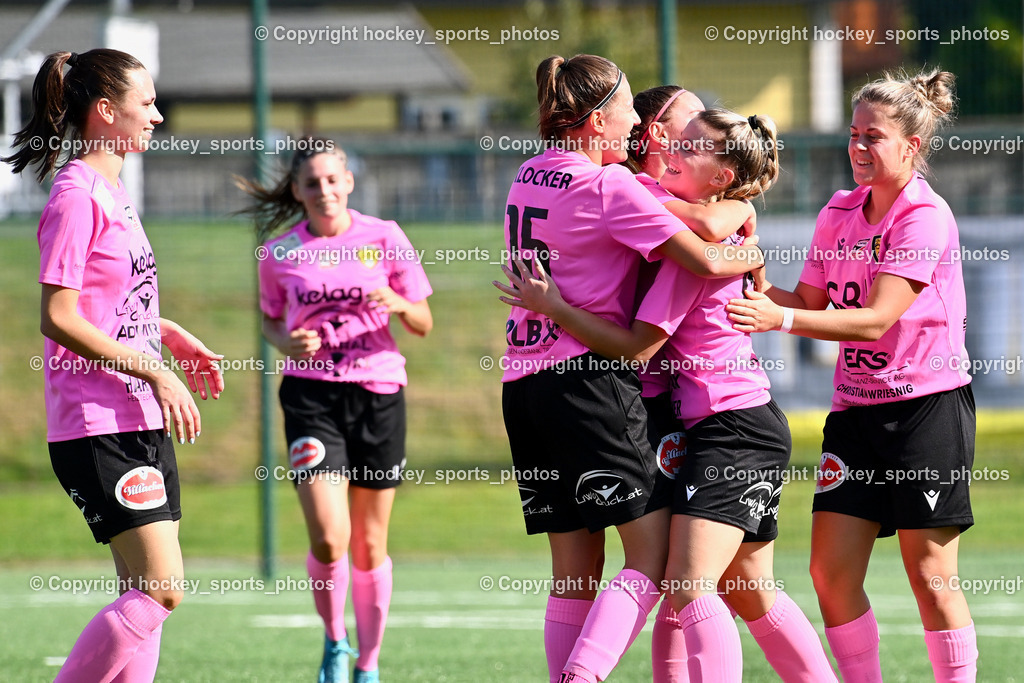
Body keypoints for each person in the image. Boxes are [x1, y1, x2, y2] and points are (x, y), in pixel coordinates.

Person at [498, 107, 837, 682]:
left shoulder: (681, 227)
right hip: (690, 422)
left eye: (693, 143)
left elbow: (638, 345)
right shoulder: (639, 193)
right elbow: (689, 206)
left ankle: (578, 675)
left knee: (687, 582)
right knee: (738, 587)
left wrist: (556, 307)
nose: (676, 145)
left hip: (736, 425)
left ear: (720, 175)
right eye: (674, 131)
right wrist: (731, 218)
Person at [727, 69, 978, 682]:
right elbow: (810, 302)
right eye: (854, 134)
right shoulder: (839, 212)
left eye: (875, 137)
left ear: (911, 146)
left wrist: (778, 317)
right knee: (830, 575)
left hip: (926, 409)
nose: (858, 148)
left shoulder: (925, 216)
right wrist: (743, 268)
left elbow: (873, 321)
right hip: (854, 413)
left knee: (931, 577)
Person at [2, 48, 224, 682]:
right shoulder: (77, 196)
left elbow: (109, 306)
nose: (156, 115)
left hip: (135, 417)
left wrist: (165, 334)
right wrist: (152, 370)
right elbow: (59, 316)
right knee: (162, 589)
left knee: (145, 595)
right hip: (98, 423)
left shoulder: (112, 191)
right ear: (105, 111)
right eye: (146, 103)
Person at [239, 139, 432, 683]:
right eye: (310, 183)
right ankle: (335, 642)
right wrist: (285, 342)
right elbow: (271, 321)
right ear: (296, 192)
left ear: (348, 182)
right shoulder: (278, 254)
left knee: (370, 543)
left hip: (378, 394)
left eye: (331, 180)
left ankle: (368, 664)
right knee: (329, 535)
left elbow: (423, 322)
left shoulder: (385, 237)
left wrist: (398, 304)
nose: (323, 191)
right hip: (311, 397)